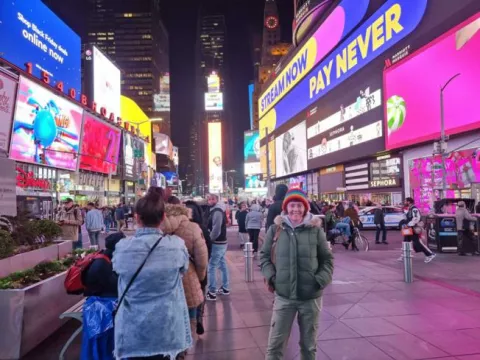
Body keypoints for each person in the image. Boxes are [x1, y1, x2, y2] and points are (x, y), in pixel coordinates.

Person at [112, 188, 192, 360]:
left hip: (133, 333)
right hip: (168, 331)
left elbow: (117, 270)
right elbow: (183, 271)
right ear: (163, 217)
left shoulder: (122, 247)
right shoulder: (176, 246)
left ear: (136, 218)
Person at [260, 188, 334, 360]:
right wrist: (272, 278)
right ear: (286, 207)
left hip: (311, 297)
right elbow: (263, 256)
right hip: (284, 297)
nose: (296, 209)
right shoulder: (275, 229)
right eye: (292, 205)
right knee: (275, 346)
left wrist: (320, 280)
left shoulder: (316, 231)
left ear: (305, 208)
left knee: (309, 347)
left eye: (299, 206)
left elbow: (327, 260)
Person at [161, 197, 209, 338]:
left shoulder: (157, 226)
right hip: (189, 277)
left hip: (164, 281)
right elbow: (202, 259)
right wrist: (200, 277)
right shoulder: (192, 227)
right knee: (190, 318)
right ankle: (184, 350)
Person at [81, 232, 125, 360]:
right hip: (101, 307)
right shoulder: (102, 264)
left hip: (100, 303)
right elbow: (116, 287)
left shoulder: (103, 258)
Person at [184, 200, 211, 335]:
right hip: (200, 269)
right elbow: (207, 252)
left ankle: (190, 324)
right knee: (199, 295)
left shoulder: (178, 228)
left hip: (184, 272)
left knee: (188, 298)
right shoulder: (201, 228)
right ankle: (198, 319)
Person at [205, 193, 229, 301]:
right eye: (209, 199)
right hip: (221, 242)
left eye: (212, 199)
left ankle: (212, 292)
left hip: (217, 242)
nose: (210, 201)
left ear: (217, 199)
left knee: (212, 266)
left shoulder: (217, 211)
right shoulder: (217, 210)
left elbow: (216, 229)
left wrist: (209, 240)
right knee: (222, 264)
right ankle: (225, 288)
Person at [399, 197, 436, 263]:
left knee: (417, 242)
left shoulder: (414, 209)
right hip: (408, 228)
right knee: (406, 241)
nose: (404, 202)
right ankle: (405, 255)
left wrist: (409, 224)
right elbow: (407, 217)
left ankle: (430, 254)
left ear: (409, 202)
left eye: (405, 201)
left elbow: (416, 218)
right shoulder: (409, 209)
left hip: (412, 228)